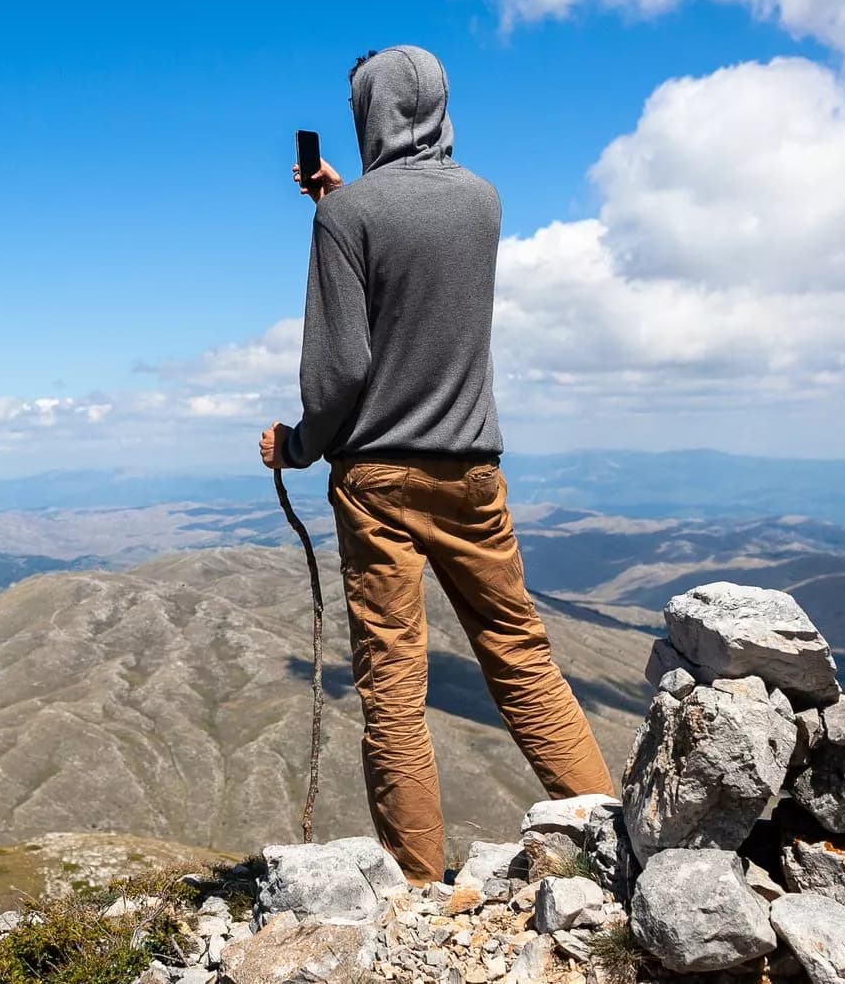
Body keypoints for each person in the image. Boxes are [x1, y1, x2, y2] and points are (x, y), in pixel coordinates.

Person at [258, 45, 613, 885]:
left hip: (376, 478)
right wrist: (348, 199)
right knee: (521, 657)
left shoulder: (343, 222)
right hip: (471, 470)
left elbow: (341, 369)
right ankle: (612, 841)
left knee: (390, 682)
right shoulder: (482, 203)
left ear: (367, 114)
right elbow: (423, 249)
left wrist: (297, 445)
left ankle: (416, 884)